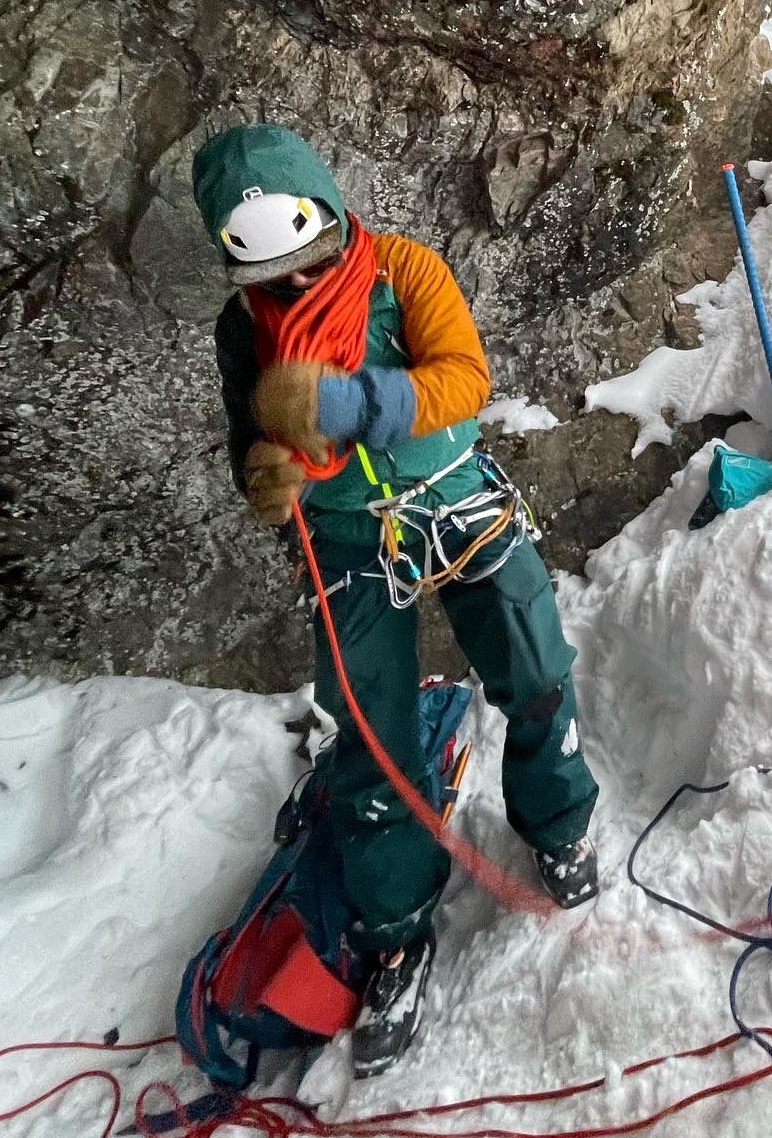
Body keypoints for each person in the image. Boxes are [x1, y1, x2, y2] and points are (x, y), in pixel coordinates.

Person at [192, 123, 601, 1077]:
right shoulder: (240, 329)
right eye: (271, 275)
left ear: (332, 212)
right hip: (345, 536)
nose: (294, 287)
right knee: (371, 733)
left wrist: (343, 407)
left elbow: (463, 378)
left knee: (535, 668)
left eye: (308, 259)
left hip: (453, 500)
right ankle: (394, 926)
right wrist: (264, 473)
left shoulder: (403, 271)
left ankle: (560, 819)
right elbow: (245, 432)